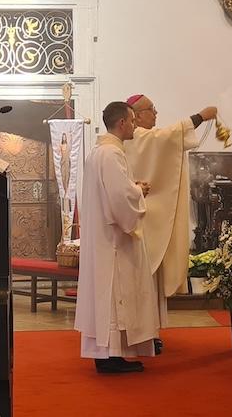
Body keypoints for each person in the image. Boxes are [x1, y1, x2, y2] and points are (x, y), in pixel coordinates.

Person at [124, 94, 217, 353]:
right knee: (143, 282)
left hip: (148, 220)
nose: (156, 113)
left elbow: (167, 139)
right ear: (136, 115)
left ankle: (149, 332)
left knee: (149, 282)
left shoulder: (142, 137)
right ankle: (141, 334)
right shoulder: (136, 137)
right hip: (140, 221)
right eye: (151, 109)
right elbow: (168, 137)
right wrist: (201, 116)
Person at [74, 101, 159, 373]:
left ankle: (108, 354)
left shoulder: (98, 152)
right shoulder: (111, 154)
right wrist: (139, 192)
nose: (135, 126)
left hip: (102, 236)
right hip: (113, 241)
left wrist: (132, 188)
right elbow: (120, 199)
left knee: (107, 296)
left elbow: (114, 191)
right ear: (122, 123)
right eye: (132, 121)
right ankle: (110, 357)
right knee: (114, 295)